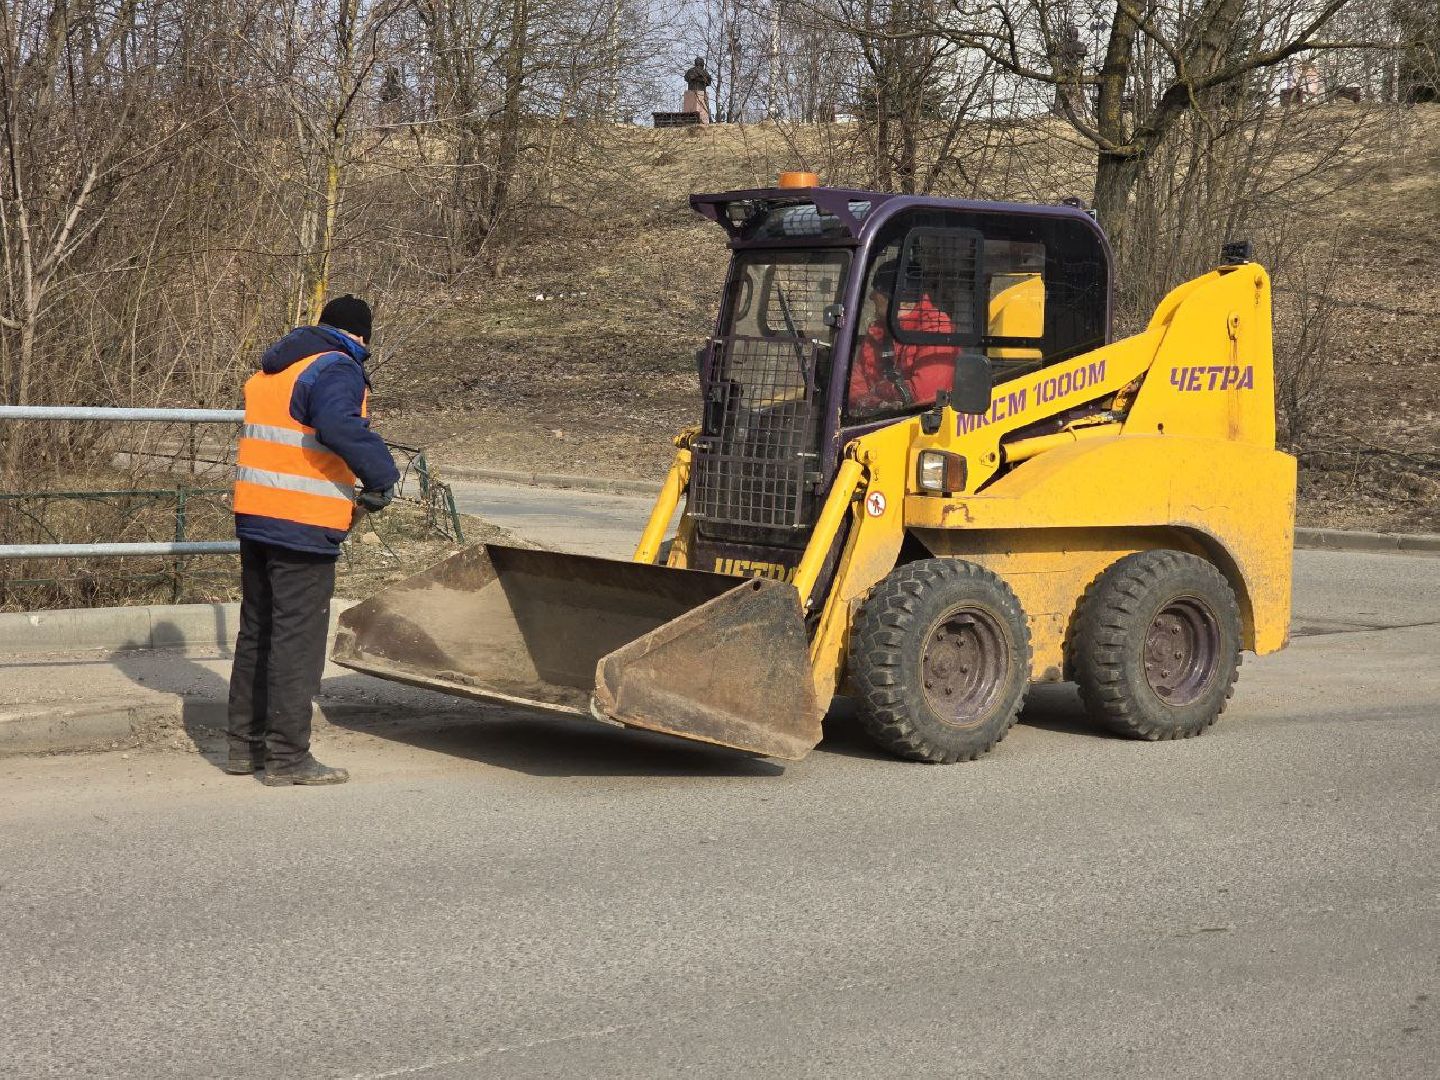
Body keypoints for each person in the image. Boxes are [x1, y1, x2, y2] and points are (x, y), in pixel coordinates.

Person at [226, 295, 400, 786]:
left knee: (257, 631)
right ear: (360, 336)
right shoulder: (337, 367)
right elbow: (338, 425)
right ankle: (288, 758)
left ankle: (244, 747)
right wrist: (381, 475)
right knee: (296, 640)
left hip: (257, 514)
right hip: (302, 522)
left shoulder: (275, 369)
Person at [847, 260, 960, 414]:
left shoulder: (936, 328)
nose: (871, 296)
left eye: (877, 289)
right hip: (876, 421)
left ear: (894, 297)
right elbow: (854, 383)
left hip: (920, 423)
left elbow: (924, 395)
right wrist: (877, 403)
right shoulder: (879, 331)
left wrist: (880, 389)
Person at [683, 57, 712, 123]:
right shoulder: (692, 71)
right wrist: (698, 76)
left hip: (701, 91)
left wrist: (701, 78)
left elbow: (708, 82)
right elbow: (687, 78)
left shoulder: (704, 72)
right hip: (692, 91)